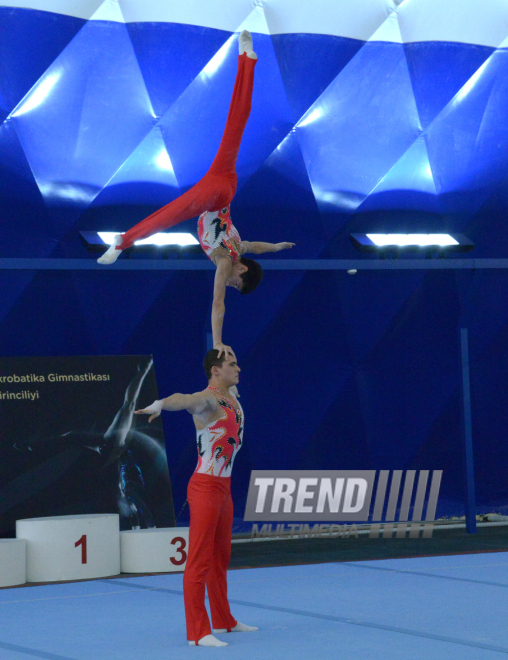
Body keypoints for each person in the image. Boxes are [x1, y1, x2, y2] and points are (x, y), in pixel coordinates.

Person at [98, 31, 294, 358]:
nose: (229, 283)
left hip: (225, 182)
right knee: (172, 214)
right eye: (235, 283)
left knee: (237, 122)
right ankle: (123, 241)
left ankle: (247, 60)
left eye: (231, 285)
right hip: (216, 194)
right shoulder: (223, 260)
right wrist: (217, 342)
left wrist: (277, 247)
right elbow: (218, 304)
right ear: (240, 269)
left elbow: (257, 247)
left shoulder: (239, 248)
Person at [135, 349, 257, 647]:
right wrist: (162, 404)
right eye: (232, 364)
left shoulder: (230, 395)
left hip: (224, 487)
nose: (238, 368)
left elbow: (218, 314)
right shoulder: (209, 399)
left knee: (220, 557)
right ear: (216, 371)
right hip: (205, 487)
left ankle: (224, 620)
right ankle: (198, 632)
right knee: (200, 560)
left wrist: (219, 300)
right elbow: (185, 399)